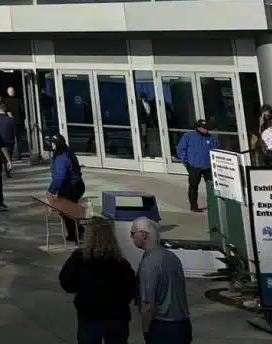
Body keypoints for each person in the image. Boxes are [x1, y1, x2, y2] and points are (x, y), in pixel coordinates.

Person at [59, 216, 136, 344]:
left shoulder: (80, 259)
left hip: (90, 316)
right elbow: (131, 289)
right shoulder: (121, 262)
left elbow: (66, 283)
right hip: (117, 317)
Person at [132, 217, 191, 344]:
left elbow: (148, 305)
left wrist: (146, 330)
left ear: (143, 235)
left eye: (133, 233)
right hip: (183, 325)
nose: (132, 237)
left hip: (163, 328)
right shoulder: (172, 257)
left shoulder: (149, 264)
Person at [48, 134, 87, 244]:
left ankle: (76, 235)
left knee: (68, 212)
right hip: (76, 186)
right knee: (68, 211)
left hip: (71, 187)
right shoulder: (67, 152)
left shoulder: (61, 157)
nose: (51, 145)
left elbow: (60, 176)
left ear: (57, 144)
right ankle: (76, 231)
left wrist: (51, 190)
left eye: (52, 143)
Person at [174, 119, 217, 212]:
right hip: (194, 166)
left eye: (207, 128)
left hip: (208, 166)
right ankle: (194, 206)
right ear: (198, 127)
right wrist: (185, 161)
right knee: (193, 186)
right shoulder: (188, 136)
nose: (206, 130)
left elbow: (215, 148)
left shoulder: (210, 137)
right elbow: (181, 149)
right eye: (204, 128)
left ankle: (213, 205)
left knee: (212, 186)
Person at [0, 104, 18, 177]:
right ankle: (7, 171)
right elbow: (14, 131)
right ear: (5, 109)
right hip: (9, 140)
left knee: (1, 157)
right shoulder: (10, 119)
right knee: (9, 156)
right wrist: (14, 139)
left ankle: (0, 170)